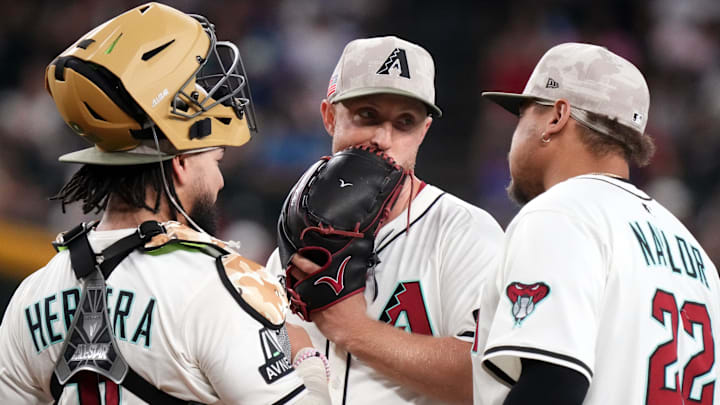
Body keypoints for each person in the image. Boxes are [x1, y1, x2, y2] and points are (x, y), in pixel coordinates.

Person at [0, 3, 330, 404]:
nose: (221, 179)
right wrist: (306, 355)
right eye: (216, 159)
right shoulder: (217, 286)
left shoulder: (32, 293)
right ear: (180, 162)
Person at [472, 42, 720, 405]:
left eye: (523, 114)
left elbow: (553, 385)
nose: (514, 136)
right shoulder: (696, 256)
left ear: (556, 116)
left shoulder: (561, 214)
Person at [266, 36, 504, 404]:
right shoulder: (300, 225)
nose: (383, 139)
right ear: (330, 117)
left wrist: (355, 330)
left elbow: (487, 379)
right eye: (367, 116)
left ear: (423, 132)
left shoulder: (465, 231)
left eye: (404, 122)